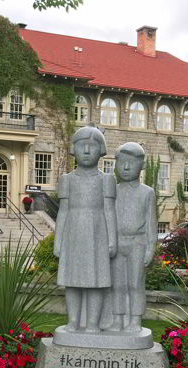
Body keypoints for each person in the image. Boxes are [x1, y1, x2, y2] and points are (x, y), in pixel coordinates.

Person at [54, 124, 117, 333]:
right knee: (72, 280)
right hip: (73, 233)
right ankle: (73, 321)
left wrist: (112, 240)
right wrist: (58, 240)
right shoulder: (67, 179)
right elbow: (62, 211)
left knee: (96, 280)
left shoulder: (107, 180)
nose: (87, 151)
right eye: (82, 146)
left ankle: (91, 323)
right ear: (74, 149)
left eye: (93, 146)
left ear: (101, 150)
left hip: (98, 233)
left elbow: (109, 211)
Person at [107, 142, 157, 333]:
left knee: (134, 284)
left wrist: (151, 248)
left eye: (131, 163)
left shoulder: (147, 192)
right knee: (117, 284)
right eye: (122, 163)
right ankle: (118, 319)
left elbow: (151, 223)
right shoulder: (113, 191)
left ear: (141, 165)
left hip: (137, 243)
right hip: (118, 242)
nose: (126, 168)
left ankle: (135, 319)